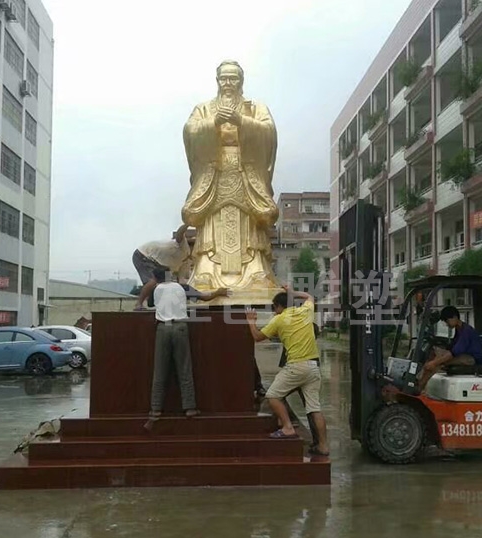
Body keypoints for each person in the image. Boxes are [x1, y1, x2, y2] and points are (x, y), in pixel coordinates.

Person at [182, 60, 281, 291]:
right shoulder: (204, 109)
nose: (228, 83)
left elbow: (269, 131)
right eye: (224, 78)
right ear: (217, 81)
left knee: (250, 222)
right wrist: (213, 123)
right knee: (211, 222)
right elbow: (190, 131)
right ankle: (207, 271)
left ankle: (256, 271)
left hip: (246, 170)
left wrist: (242, 122)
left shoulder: (255, 108)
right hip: (213, 172)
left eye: (233, 78)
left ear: (241, 81)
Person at [245, 287, 329, 457]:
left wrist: (251, 321)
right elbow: (310, 296)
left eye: (274, 308)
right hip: (313, 367)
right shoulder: (306, 311)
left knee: (273, 396)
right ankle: (323, 446)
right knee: (314, 409)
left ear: (278, 307)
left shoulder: (279, 320)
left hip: (296, 366)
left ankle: (287, 428)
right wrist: (293, 291)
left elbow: (257, 337)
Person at [144, 267, 228, 431]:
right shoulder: (182, 287)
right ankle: (189, 408)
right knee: (184, 369)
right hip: (180, 328)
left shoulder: (156, 290)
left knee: (159, 371)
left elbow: (151, 304)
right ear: (172, 275)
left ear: (156, 277)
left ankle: (155, 411)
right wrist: (219, 292)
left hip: (162, 328)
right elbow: (205, 297)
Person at [418, 306, 482, 392]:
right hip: (463, 355)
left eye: (447, 320)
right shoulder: (459, 329)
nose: (446, 324)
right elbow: (452, 346)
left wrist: (434, 362)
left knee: (439, 362)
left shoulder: (466, 331)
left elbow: (454, 352)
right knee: (434, 354)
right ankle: (419, 381)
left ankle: (419, 387)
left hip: (471, 358)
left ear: (455, 317)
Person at [132, 224, 191, 310]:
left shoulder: (185, 264)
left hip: (157, 263)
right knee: (152, 282)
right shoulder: (185, 248)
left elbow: (181, 281)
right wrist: (187, 224)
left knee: (167, 283)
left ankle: (153, 302)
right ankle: (139, 304)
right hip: (143, 254)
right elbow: (180, 233)